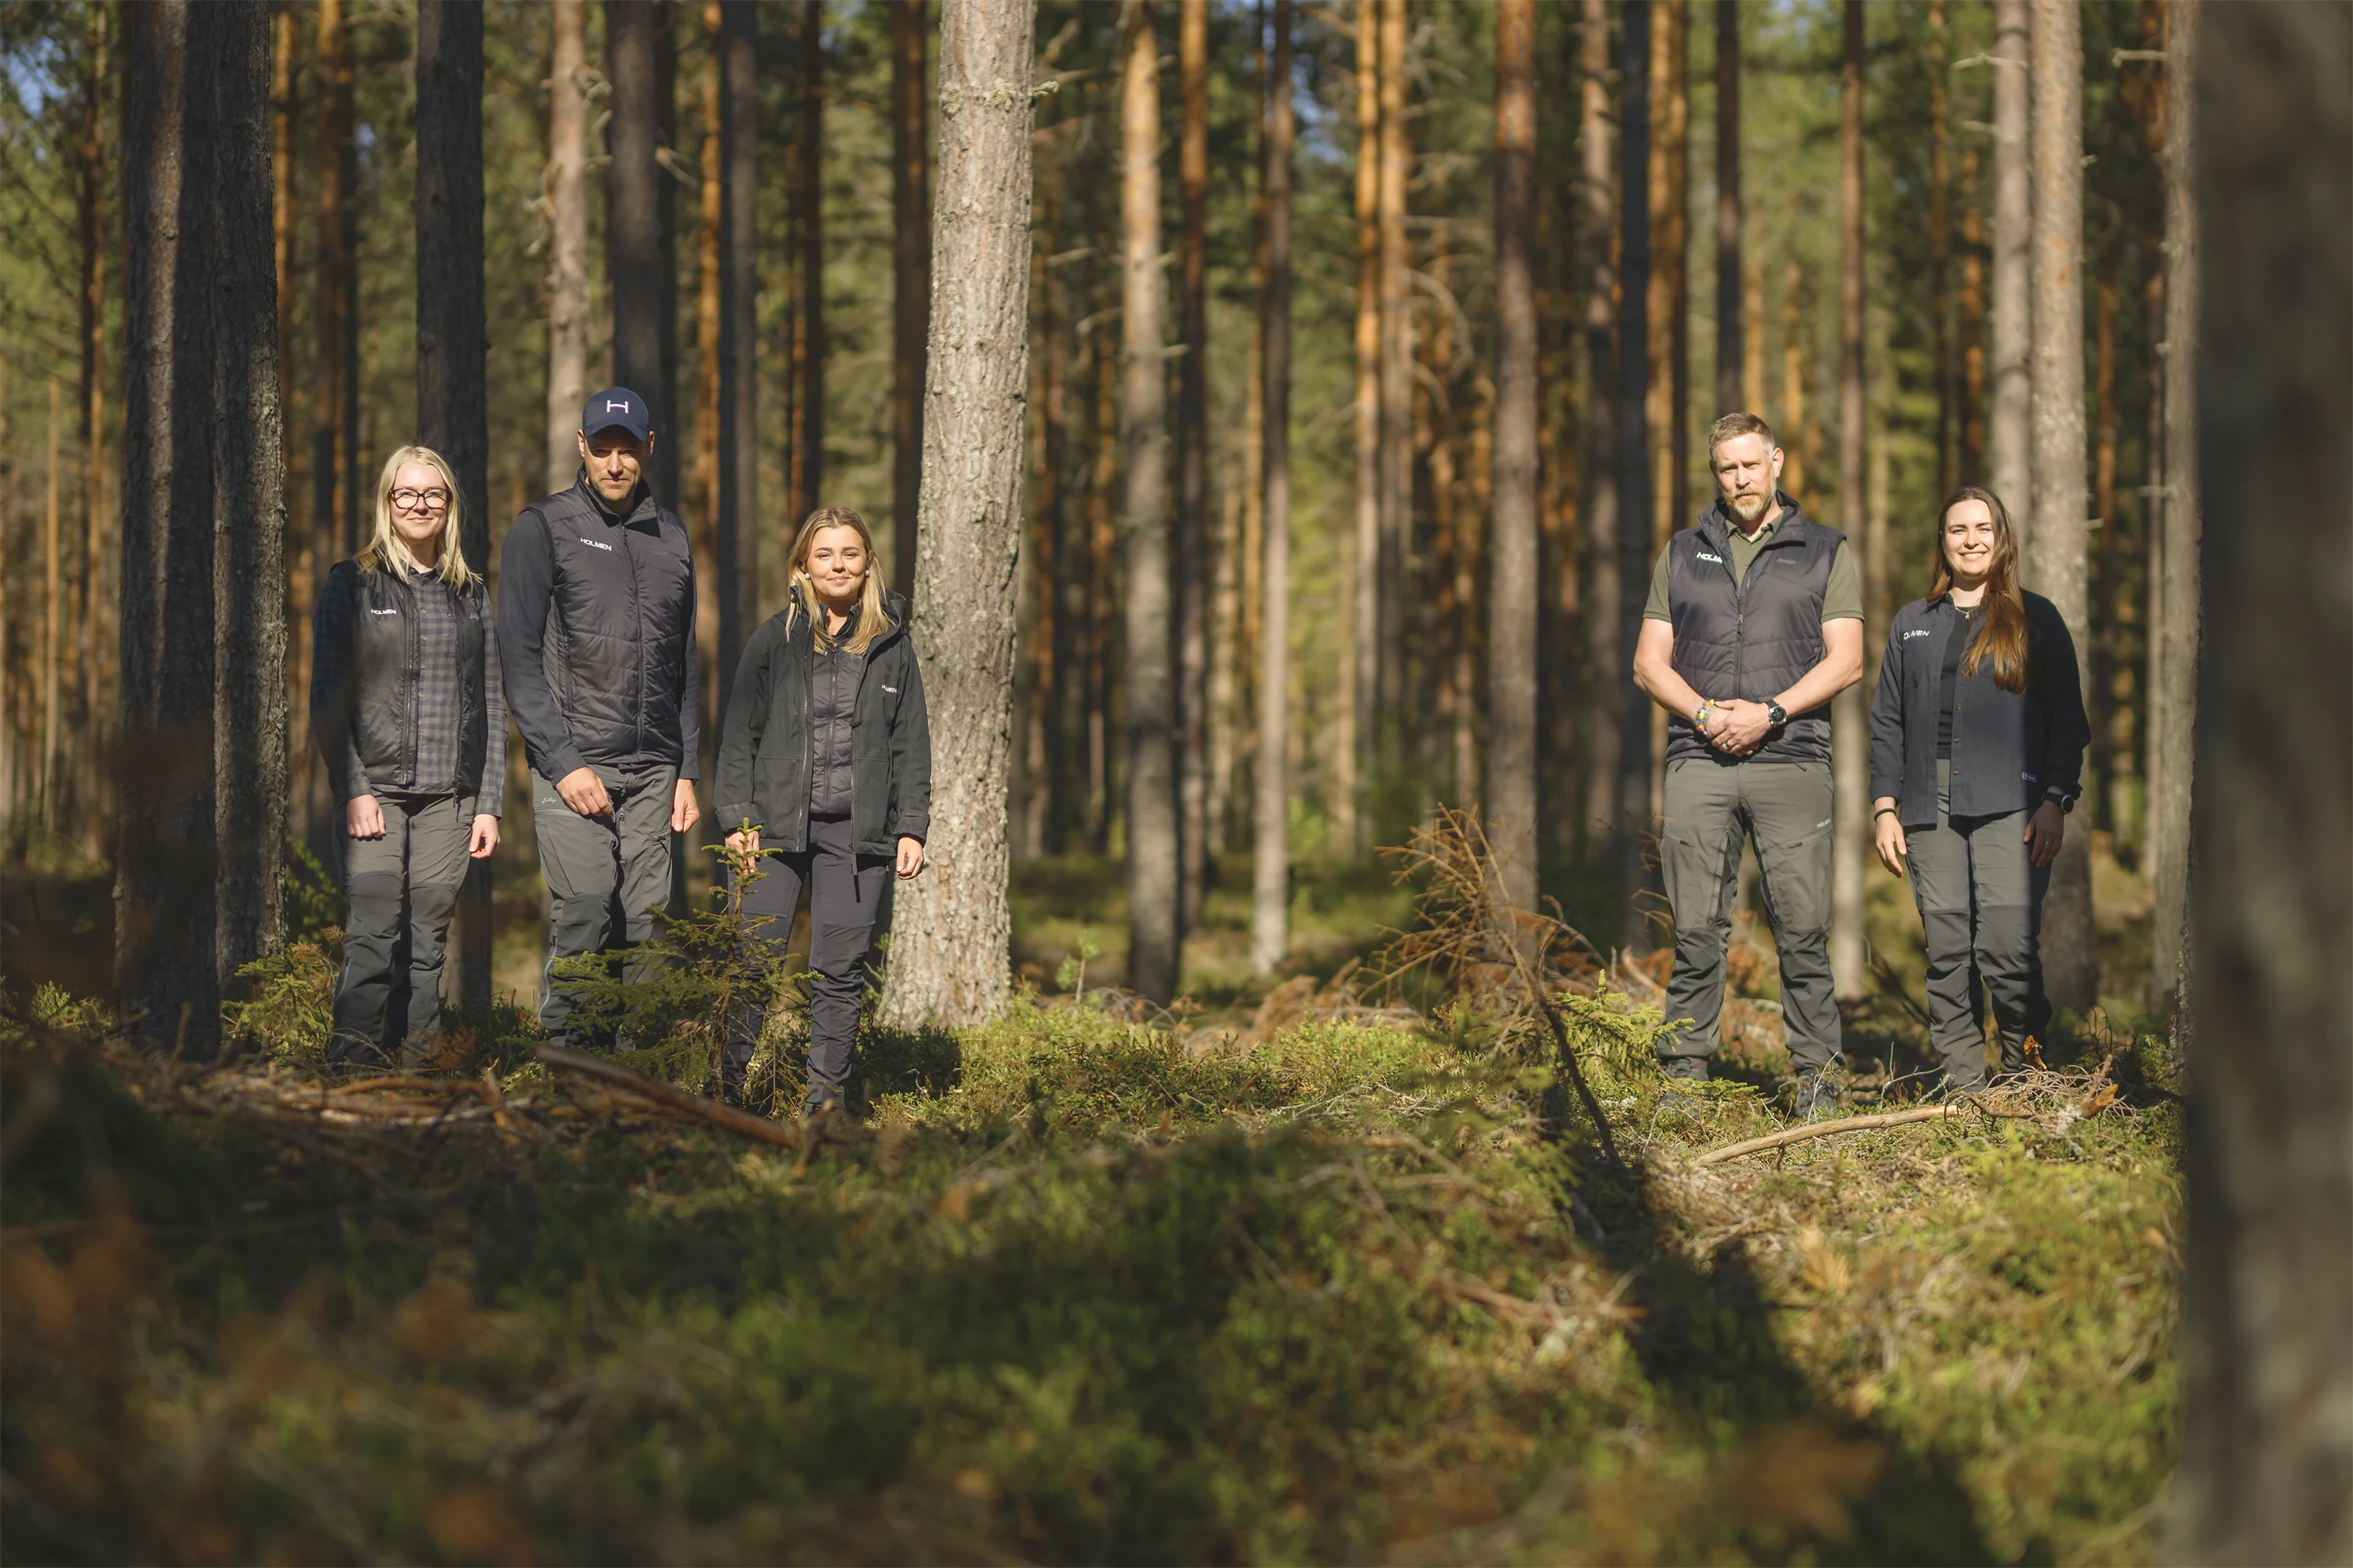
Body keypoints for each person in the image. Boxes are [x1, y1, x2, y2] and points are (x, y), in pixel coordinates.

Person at [1632, 411, 1866, 1118]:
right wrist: (1706, 715)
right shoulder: (1682, 552)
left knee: (1800, 926)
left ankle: (1817, 1081)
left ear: (1777, 462)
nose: (1739, 478)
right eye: (1726, 468)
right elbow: (1649, 665)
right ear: (1717, 474)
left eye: (1750, 464)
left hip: (1791, 756)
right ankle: (1684, 1079)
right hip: (1698, 758)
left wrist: (1768, 713)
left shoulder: (1824, 549)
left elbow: (1848, 660)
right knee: (1699, 926)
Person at [498, 388, 702, 1046]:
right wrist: (562, 762)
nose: (615, 464)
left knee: (646, 922)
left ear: (649, 448)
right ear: (582, 447)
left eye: (627, 449)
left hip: (655, 768)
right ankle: (571, 1070)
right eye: (602, 449)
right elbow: (518, 660)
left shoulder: (671, 535)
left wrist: (687, 767)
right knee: (585, 909)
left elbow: (685, 663)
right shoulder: (544, 526)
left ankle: (637, 1074)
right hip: (575, 764)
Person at [710, 506, 931, 1116]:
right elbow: (737, 736)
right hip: (772, 832)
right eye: (825, 553)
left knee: (841, 971)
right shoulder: (773, 639)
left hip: (859, 839)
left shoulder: (891, 645)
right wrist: (737, 819)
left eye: (850, 554)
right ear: (803, 565)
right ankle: (724, 1094)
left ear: (867, 566)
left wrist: (911, 824)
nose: (838, 564)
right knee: (753, 965)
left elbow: (913, 741)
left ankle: (824, 1108)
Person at [1869, 486, 2088, 1091]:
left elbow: (2067, 717)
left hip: (2011, 806)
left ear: (2002, 538)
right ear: (1942, 543)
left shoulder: (2035, 617)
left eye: (1983, 528)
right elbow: (1887, 718)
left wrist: (2055, 799)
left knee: (2008, 952)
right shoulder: (1912, 623)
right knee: (1947, 954)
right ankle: (1964, 1088)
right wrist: (1885, 806)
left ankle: (2027, 1076)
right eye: (1958, 530)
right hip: (1927, 806)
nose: (1971, 540)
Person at [311, 446, 506, 1065]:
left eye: (433, 494)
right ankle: (351, 1066)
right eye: (407, 494)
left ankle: (421, 1070)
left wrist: (489, 802)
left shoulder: (470, 593)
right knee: (372, 933)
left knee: (428, 942)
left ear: (449, 506)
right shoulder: (354, 583)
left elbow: (493, 704)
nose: (420, 505)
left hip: (451, 799)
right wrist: (353, 787)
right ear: (387, 503)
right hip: (377, 792)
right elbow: (326, 695)